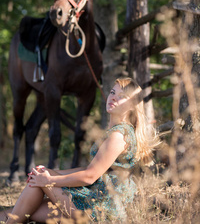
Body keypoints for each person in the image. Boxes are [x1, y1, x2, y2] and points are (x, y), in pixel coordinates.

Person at [0, 77, 160, 223]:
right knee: (28, 209)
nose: (113, 98)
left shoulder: (118, 136)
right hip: (93, 198)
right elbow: (89, 169)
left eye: (122, 96)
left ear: (132, 106)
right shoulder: (117, 131)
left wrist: (48, 181)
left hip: (100, 210)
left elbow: (90, 176)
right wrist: (52, 172)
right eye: (113, 92)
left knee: (36, 184)